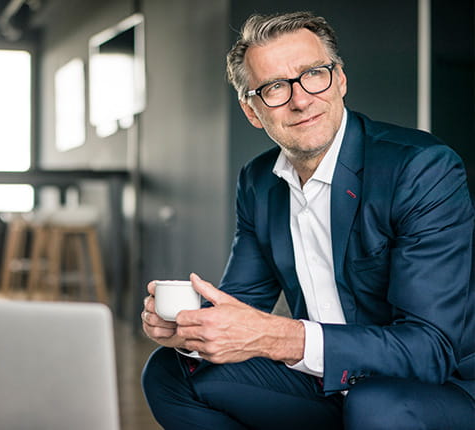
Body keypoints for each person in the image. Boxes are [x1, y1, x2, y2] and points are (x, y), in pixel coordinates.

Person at [141, 11, 475, 430]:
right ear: (252, 110)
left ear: (340, 80)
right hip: (326, 382)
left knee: (375, 405)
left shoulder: (421, 168)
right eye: (275, 87)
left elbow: (431, 348)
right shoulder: (259, 181)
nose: (301, 100)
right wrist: (191, 332)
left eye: (314, 74)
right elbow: (243, 302)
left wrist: (282, 337)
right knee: (170, 373)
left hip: (440, 386)